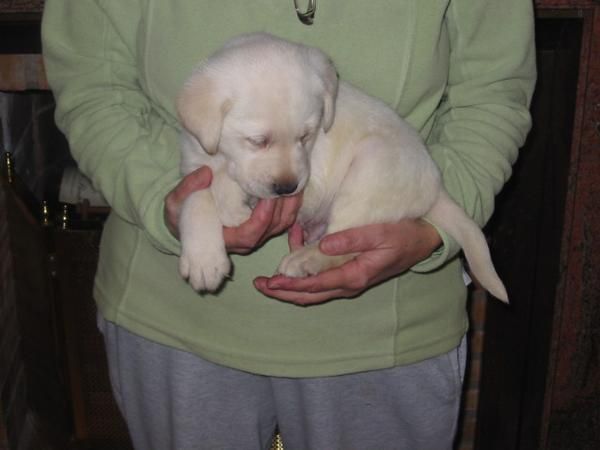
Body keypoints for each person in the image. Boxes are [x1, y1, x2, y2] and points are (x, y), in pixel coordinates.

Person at [41, 1, 536, 449]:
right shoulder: (209, 104)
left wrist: (434, 230)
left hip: (386, 330)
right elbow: (93, 88)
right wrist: (164, 198)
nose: (288, 175)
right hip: (174, 321)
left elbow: (493, 96)